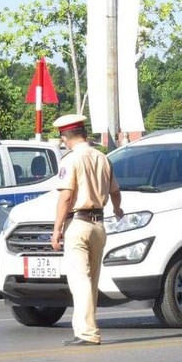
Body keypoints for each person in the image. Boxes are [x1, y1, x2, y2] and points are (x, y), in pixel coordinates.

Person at [51, 114, 123, 347]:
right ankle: (90, 328)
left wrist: (56, 229)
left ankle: (86, 333)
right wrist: (118, 209)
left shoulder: (70, 160)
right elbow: (115, 191)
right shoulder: (102, 158)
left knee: (79, 279)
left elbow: (65, 196)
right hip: (99, 225)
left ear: (65, 137)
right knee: (92, 280)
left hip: (78, 224)